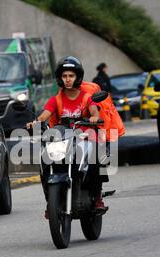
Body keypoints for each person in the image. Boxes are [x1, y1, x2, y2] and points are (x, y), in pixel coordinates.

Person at [26, 56, 106, 218]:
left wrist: (94, 118)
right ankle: (51, 202)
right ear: (60, 78)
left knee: (95, 156)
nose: (68, 79)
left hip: (84, 135)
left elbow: (94, 112)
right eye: (64, 76)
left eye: (71, 76)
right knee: (44, 161)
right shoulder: (56, 99)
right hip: (63, 136)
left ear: (77, 77)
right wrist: (35, 122)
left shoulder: (86, 97)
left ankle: (97, 198)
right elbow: (44, 116)